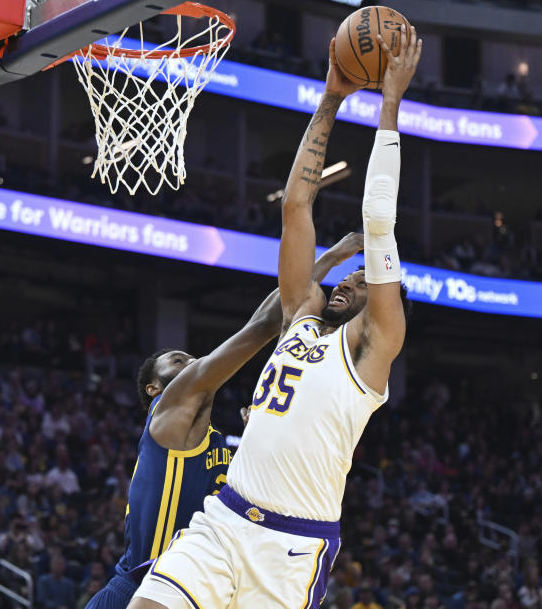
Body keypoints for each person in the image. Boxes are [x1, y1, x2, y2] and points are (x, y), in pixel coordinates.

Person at [130, 24, 421, 609]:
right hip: (222, 520)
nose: (344, 279)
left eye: (361, 280)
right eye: (347, 273)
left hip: (290, 548)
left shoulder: (374, 350)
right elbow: (296, 207)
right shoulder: (302, 320)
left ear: (384, 305)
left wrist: (389, 105)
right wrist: (332, 97)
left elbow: (378, 223)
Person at [86, 233, 364, 609]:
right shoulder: (170, 414)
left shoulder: (216, 442)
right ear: (154, 389)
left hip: (197, 587)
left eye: (190, 358)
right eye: (177, 361)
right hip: (139, 586)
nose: (190, 363)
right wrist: (330, 258)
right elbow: (265, 324)